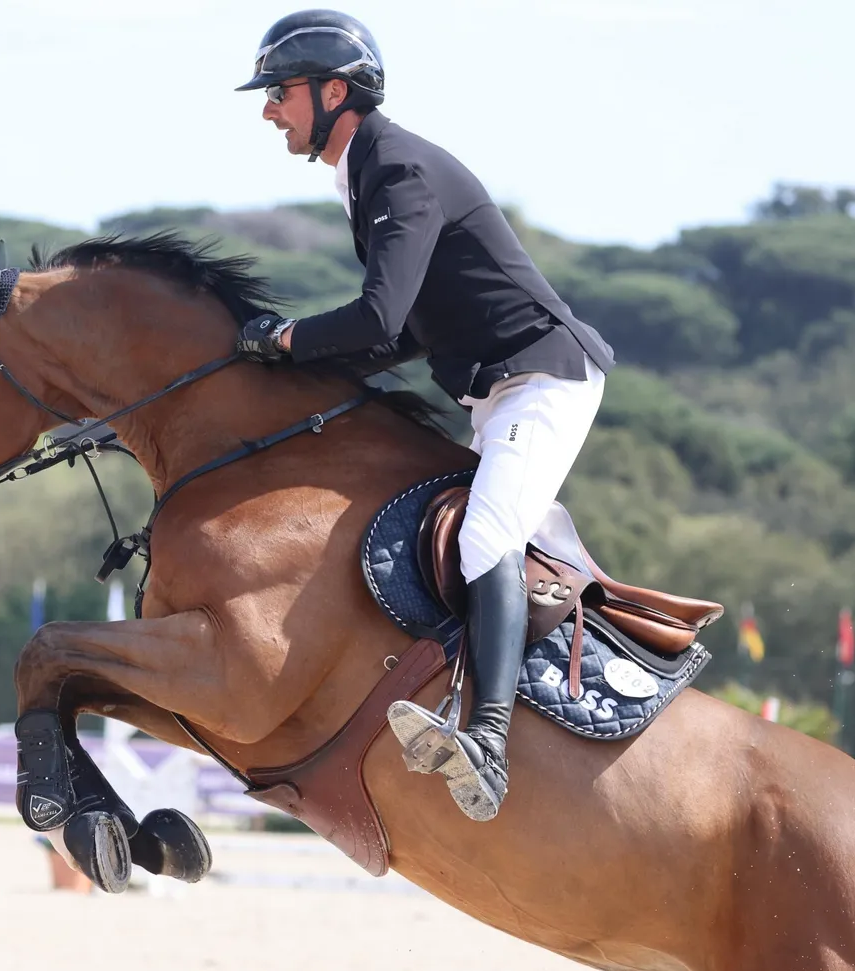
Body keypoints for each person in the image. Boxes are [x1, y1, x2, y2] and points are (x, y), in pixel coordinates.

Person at [232, 10, 616, 822]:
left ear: (336, 91)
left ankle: (487, 737)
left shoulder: (398, 169)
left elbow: (377, 322)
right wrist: (297, 374)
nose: (269, 109)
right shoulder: (363, 170)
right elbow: (404, 332)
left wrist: (291, 337)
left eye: (280, 92)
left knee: (486, 537)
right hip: (497, 388)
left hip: (545, 381)